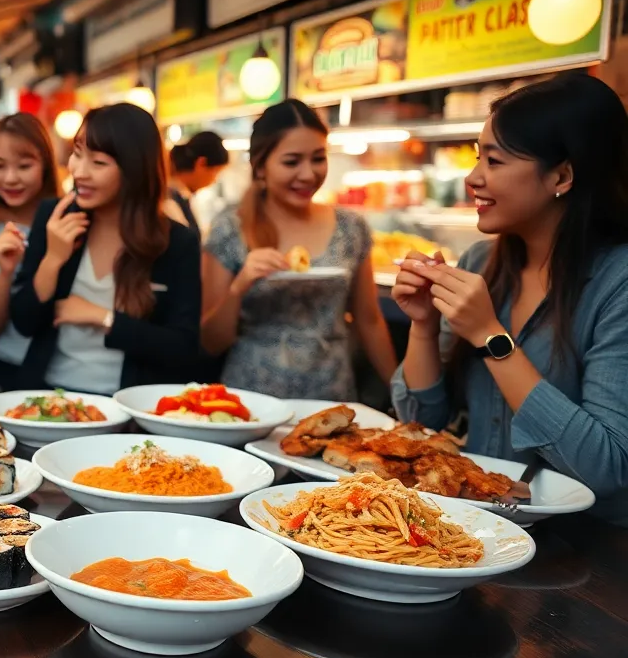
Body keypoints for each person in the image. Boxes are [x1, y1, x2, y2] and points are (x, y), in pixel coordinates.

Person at [393, 74, 628, 524]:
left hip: (582, 554)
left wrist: (489, 335)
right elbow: (420, 425)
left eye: (494, 161)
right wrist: (423, 325)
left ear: (561, 174)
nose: (472, 177)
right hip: (476, 529)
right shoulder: (482, 261)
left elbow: (607, 465)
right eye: (478, 157)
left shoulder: (617, 283)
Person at [200, 100, 396, 401]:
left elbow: (369, 321)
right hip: (250, 406)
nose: (308, 175)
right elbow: (210, 342)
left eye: (318, 159)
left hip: (332, 402)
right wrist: (239, 287)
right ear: (260, 167)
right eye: (291, 162)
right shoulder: (230, 228)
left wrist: (401, 395)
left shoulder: (350, 227)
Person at [10, 103, 202, 394]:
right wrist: (52, 259)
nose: (79, 172)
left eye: (98, 163)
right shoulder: (55, 217)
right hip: (49, 395)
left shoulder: (176, 243)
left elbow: (183, 348)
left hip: (129, 407)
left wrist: (103, 317)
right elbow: (24, 321)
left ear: (134, 171)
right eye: (76, 154)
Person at [0, 113, 58, 395]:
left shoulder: (65, 221)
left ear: (45, 165)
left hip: (60, 373)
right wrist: (5, 273)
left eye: (24, 166)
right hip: (0, 372)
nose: (10, 178)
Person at [164, 130, 229, 234]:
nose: (215, 180)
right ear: (201, 163)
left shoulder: (181, 197)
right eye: (216, 172)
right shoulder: (168, 200)